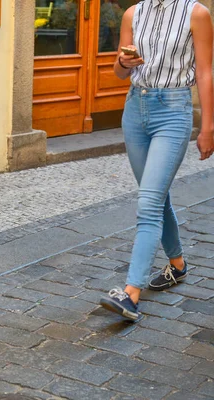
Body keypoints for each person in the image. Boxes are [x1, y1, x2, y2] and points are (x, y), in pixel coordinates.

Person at [100, 0, 214, 321]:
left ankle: (131, 294)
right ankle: (177, 264)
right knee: (156, 196)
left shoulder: (197, 13)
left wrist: (208, 126)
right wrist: (124, 61)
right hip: (135, 110)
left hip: (174, 112)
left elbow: (205, 71)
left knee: (148, 203)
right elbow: (119, 72)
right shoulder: (132, 14)